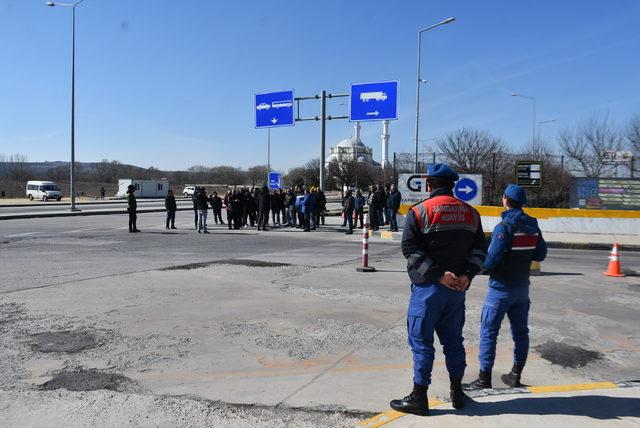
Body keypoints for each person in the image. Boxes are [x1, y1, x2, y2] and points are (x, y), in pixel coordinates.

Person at [390, 163, 487, 416]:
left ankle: (419, 397)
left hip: (428, 289)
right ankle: (457, 392)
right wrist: (467, 275)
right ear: (452, 185)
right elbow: (480, 252)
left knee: (421, 343)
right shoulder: (470, 213)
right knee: (454, 341)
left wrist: (437, 275)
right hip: (457, 290)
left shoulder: (420, 211)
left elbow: (410, 250)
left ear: (429, 185)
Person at [466, 184, 547, 390]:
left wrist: (479, 268)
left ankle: (484, 379)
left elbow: (491, 260)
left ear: (505, 200)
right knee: (521, 333)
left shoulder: (503, 227)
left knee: (489, 332)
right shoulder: (533, 225)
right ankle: (515, 375)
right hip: (522, 289)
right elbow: (540, 255)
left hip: (500, 289)